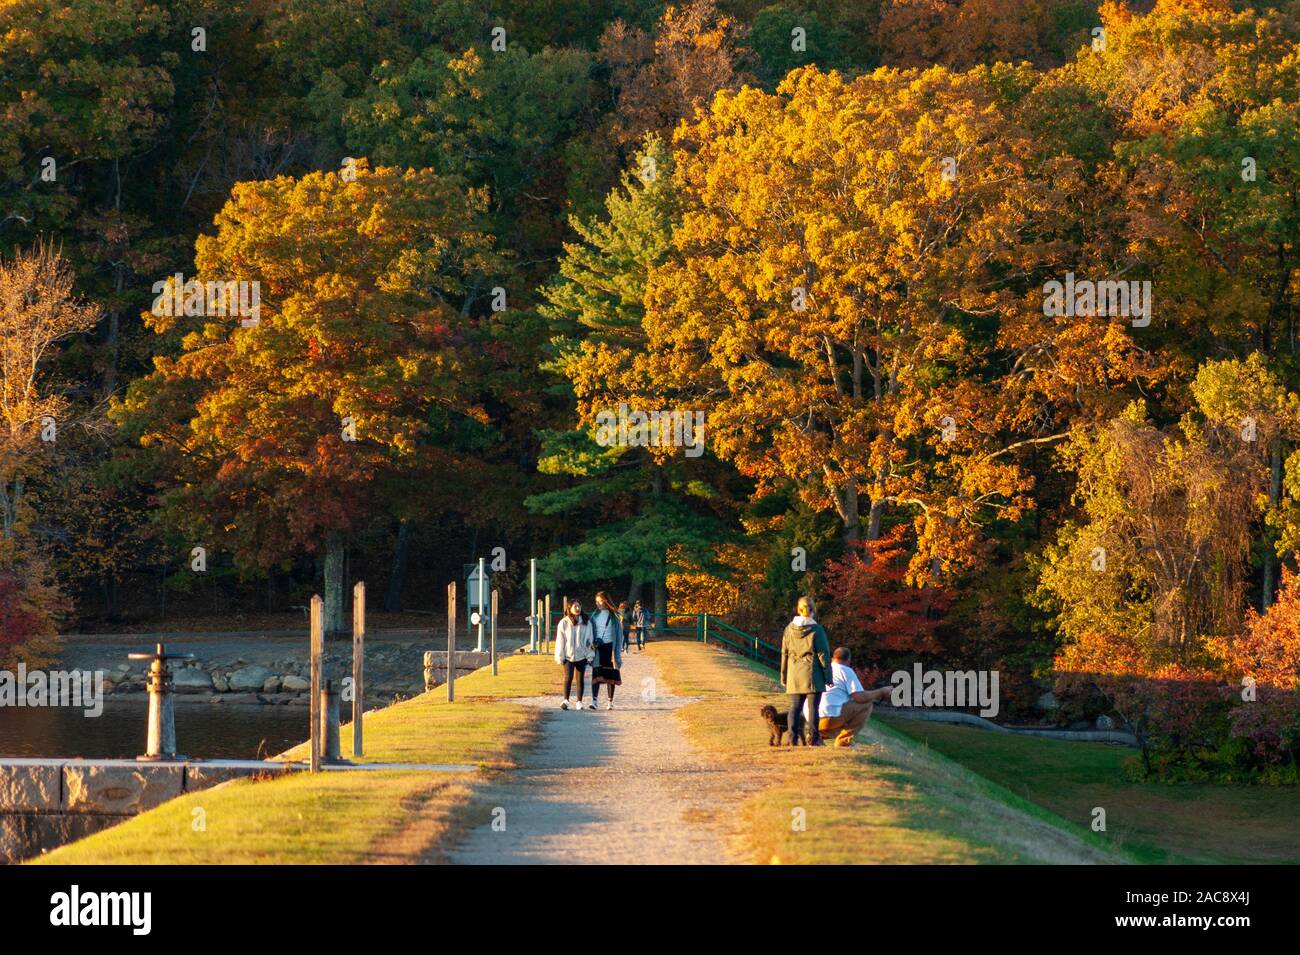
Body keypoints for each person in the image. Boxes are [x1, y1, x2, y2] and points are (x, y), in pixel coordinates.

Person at [779, 596, 833, 746]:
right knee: (813, 708)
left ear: (798, 609)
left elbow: (784, 652)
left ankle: (792, 738)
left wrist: (783, 674)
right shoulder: (817, 629)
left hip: (794, 673)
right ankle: (814, 739)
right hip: (812, 673)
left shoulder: (789, 629)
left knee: (795, 707)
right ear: (813, 610)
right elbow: (823, 654)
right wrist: (828, 676)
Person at [817, 647, 894, 747]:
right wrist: (881, 691)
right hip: (828, 719)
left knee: (842, 708)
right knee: (866, 704)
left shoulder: (822, 669)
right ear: (848, 660)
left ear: (832, 658)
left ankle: (818, 734)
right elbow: (860, 697)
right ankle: (843, 742)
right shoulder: (845, 670)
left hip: (813, 720)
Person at [554, 599, 595, 710]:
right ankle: (566, 700)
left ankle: (579, 702)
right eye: (575, 606)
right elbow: (560, 640)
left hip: (582, 655)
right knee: (568, 677)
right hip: (568, 655)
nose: (577, 608)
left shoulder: (586, 622)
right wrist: (560, 656)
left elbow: (590, 639)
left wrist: (590, 655)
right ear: (569, 608)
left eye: (579, 606)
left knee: (580, 679)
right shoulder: (564, 622)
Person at [589, 591, 624, 709]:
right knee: (596, 673)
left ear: (606, 601)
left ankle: (610, 701)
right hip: (598, 647)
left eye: (600, 601)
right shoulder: (594, 616)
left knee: (610, 674)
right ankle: (594, 701)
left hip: (610, 647)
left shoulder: (614, 616)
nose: (598, 604)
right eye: (596, 602)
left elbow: (619, 635)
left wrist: (618, 651)